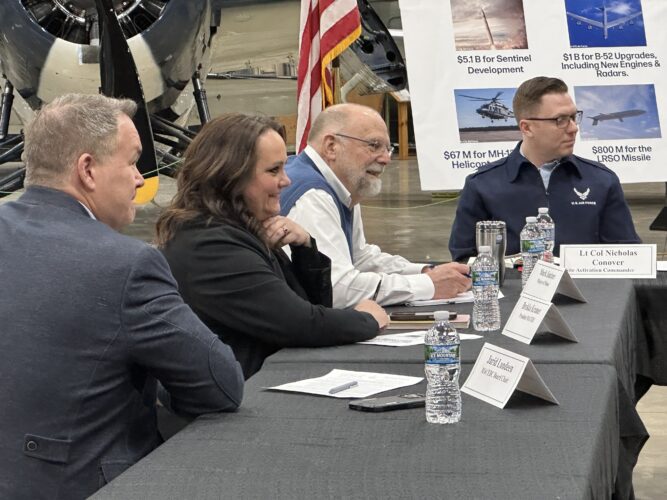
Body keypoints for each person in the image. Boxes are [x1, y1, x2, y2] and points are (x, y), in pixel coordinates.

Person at [0, 94, 244, 500]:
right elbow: (220, 385)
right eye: (132, 162)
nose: (140, 179)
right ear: (87, 170)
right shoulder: (126, 264)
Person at [156, 113, 386, 380]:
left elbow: (309, 305)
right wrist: (366, 319)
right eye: (273, 170)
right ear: (232, 176)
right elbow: (301, 323)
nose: (286, 181)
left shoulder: (241, 228)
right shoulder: (211, 246)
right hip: (240, 395)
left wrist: (304, 248)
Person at [280, 104, 471, 308]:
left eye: (388, 148)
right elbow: (336, 289)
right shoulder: (312, 196)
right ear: (331, 147)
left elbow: (360, 258)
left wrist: (425, 272)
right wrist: (428, 285)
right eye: (374, 145)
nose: (386, 159)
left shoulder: (342, 185)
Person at [449, 76, 640, 261]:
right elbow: (465, 261)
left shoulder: (602, 181)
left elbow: (628, 257)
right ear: (527, 128)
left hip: (587, 284)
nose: (574, 128)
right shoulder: (482, 185)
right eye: (560, 119)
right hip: (513, 284)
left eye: (574, 117)